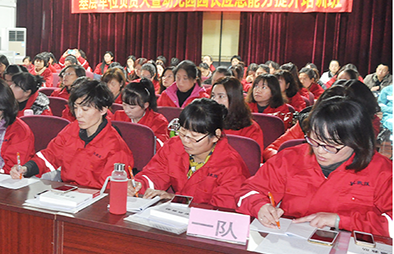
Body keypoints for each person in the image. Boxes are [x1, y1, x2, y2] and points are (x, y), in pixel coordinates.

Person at [236, 97, 393, 237]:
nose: (319, 151)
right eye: (314, 141)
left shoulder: (381, 170)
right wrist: (260, 206)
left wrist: (341, 220)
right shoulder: (290, 158)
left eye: (330, 146)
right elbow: (247, 191)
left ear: (356, 142)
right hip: (292, 240)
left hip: (351, 246)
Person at [10, 79, 133, 189]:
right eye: (76, 107)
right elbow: (50, 155)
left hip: (94, 200)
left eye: (85, 109)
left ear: (103, 110)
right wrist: (26, 168)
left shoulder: (116, 148)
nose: (78, 114)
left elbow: (111, 190)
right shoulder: (72, 129)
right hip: (67, 192)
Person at [128, 98, 249, 209]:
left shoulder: (231, 166)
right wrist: (138, 185)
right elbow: (155, 174)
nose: (185, 141)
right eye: (182, 132)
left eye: (194, 136)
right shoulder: (174, 146)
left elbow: (222, 210)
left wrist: (177, 200)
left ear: (215, 136)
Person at [111, 78, 169, 149]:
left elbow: (161, 147)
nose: (126, 110)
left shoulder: (158, 121)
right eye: (124, 105)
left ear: (145, 105)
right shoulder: (118, 116)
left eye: (132, 107)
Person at [211, 77, 264, 151]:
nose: (215, 100)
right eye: (213, 96)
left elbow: (253, 156)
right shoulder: (206, 121)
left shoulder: (251, 129)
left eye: (221, 96)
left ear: (234, 99)